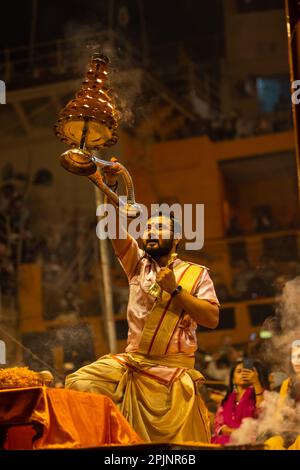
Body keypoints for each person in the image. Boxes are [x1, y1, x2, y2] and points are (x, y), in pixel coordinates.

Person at [65, 163, 220, 443]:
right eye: (147, 229)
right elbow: (114, 229)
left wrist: (176, 292)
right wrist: (110, 188)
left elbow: (211, 319)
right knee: (79, 382)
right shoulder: (137, 264)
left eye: (158, 228)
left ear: (177, 238)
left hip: (172, 371)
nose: (149, 233)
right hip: (133, 364)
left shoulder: (196, 274)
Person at [211, 359, 267, 445]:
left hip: (249, 443)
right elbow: (218, 425)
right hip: (224, 442)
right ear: (233, 379)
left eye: (246, 371)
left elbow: (263, 413)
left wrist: (256, 382)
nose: (243, 374)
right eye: (239, 371)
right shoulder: (227, 399)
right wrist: (238, 433)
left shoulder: (259, 394)